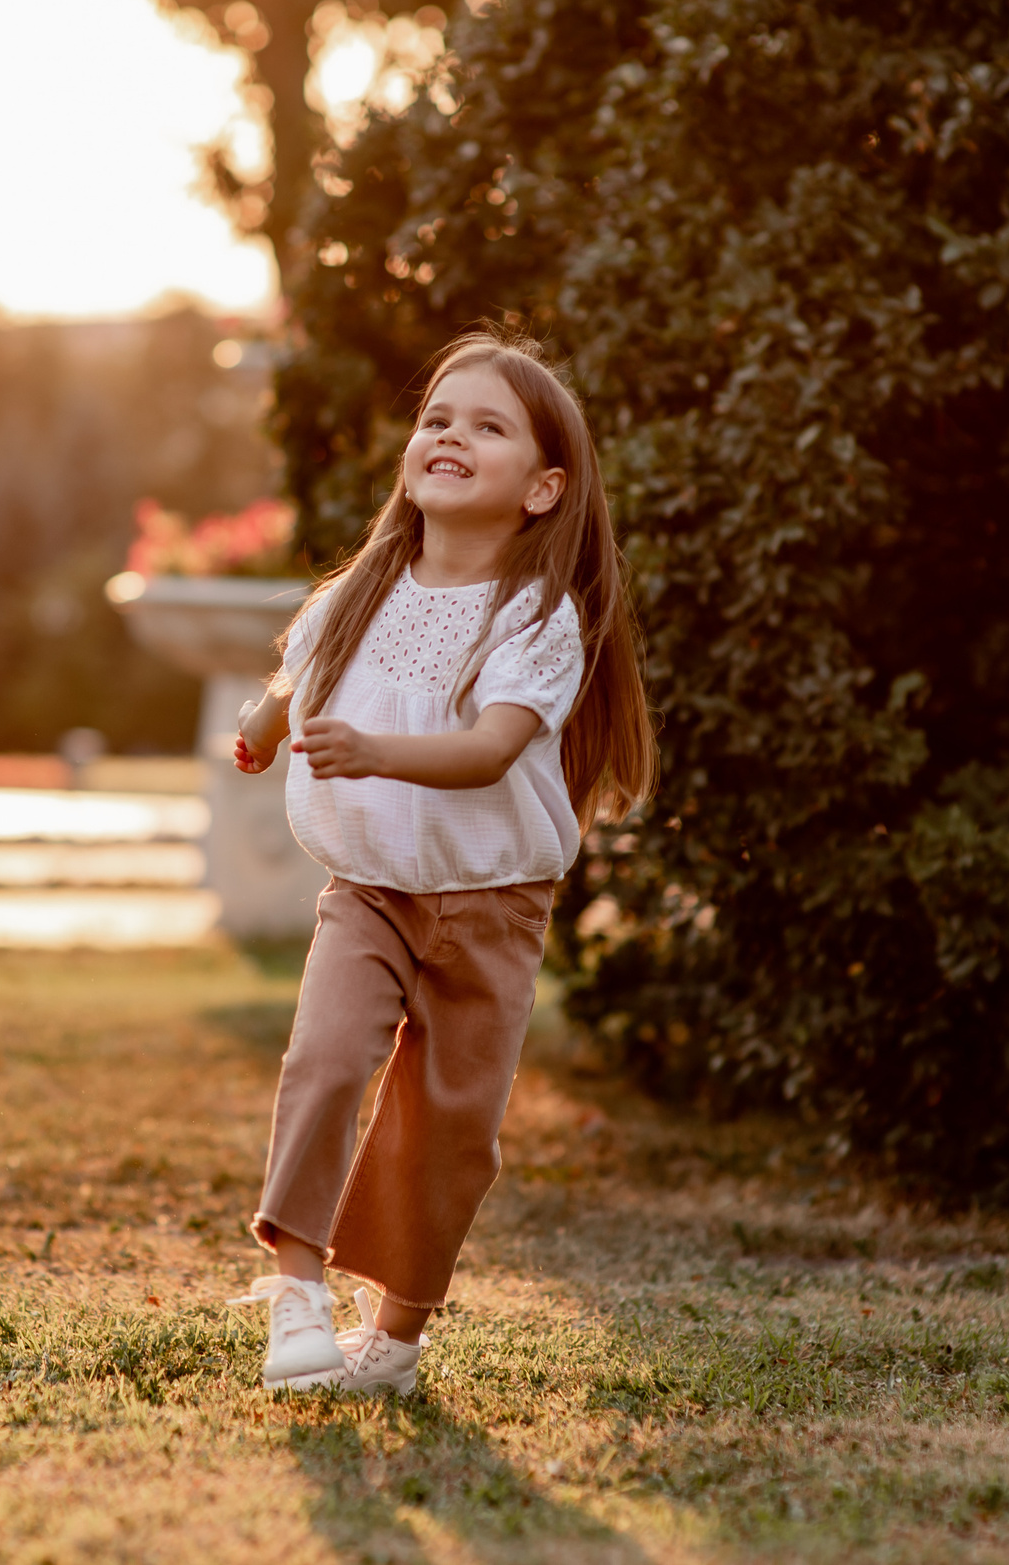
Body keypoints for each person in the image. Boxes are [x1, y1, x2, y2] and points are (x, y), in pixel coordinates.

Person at [228, 330, 656, 1395]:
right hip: (369, 888)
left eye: (486, 423)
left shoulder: (537, 616)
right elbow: (297, 674)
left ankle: (396, 1343)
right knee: (325, 1060)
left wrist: (373, 751)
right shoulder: (357, 593)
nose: (449, 433)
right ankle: (293, 1294)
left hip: (493, 904)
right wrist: (264, 723)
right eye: (436, 417)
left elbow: (489, 749)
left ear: (543, 487)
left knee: (448, 1122)